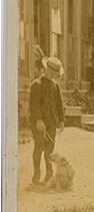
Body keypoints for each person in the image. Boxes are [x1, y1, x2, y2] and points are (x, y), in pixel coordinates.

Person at [29, 56, 65, 185]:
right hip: (39, 122)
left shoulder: (55, 86)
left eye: (55, 73)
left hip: (52, 122)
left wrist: (61, 120)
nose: (53, 75)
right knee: (39, 146)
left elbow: (59, 104)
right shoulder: (36, 84)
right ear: (46, 70)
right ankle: (36, 173)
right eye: (52, 72)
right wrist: (39, 120)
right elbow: (34, 105)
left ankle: (49, 174)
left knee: (50, 148)